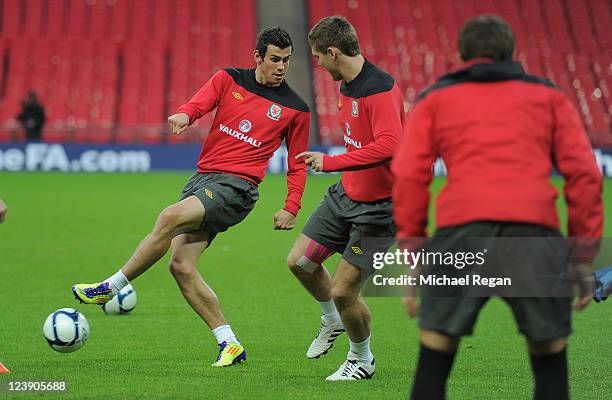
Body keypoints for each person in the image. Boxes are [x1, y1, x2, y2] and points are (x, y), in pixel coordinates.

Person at [72, 27, 310, 367]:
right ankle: (229, 343)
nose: (281, 66)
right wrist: (185, 114)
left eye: (286, 60)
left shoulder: (295, 109)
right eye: (274, 59)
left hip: (237, 188)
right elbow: (200, 102)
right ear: (257, 56)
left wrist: (291, 206)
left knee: (169, 217)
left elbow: (298, 165)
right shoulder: (229, 79)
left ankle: (110, 286)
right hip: (203, 180)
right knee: (181, 266)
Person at [392, 15, 603, 400]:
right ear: (512, 53)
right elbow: (586, 174)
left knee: (435, 358)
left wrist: (413, 253)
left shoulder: (435, 99)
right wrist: (582, 255)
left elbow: (408, 175)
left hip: (462, 234)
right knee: (549, 360)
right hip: (534, 236)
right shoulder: (550, 97)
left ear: (459, 55)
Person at [287, 16, 404, 381]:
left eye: (319, 57)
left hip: (379, 209)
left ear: (334, 53)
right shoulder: (348, 86)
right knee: (299, 263)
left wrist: (332, 162)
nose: (317, 64)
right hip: (345, 196)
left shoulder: (380, 90)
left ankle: (362, 359)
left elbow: (390, 145)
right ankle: (332, 321)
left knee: (343, 291)